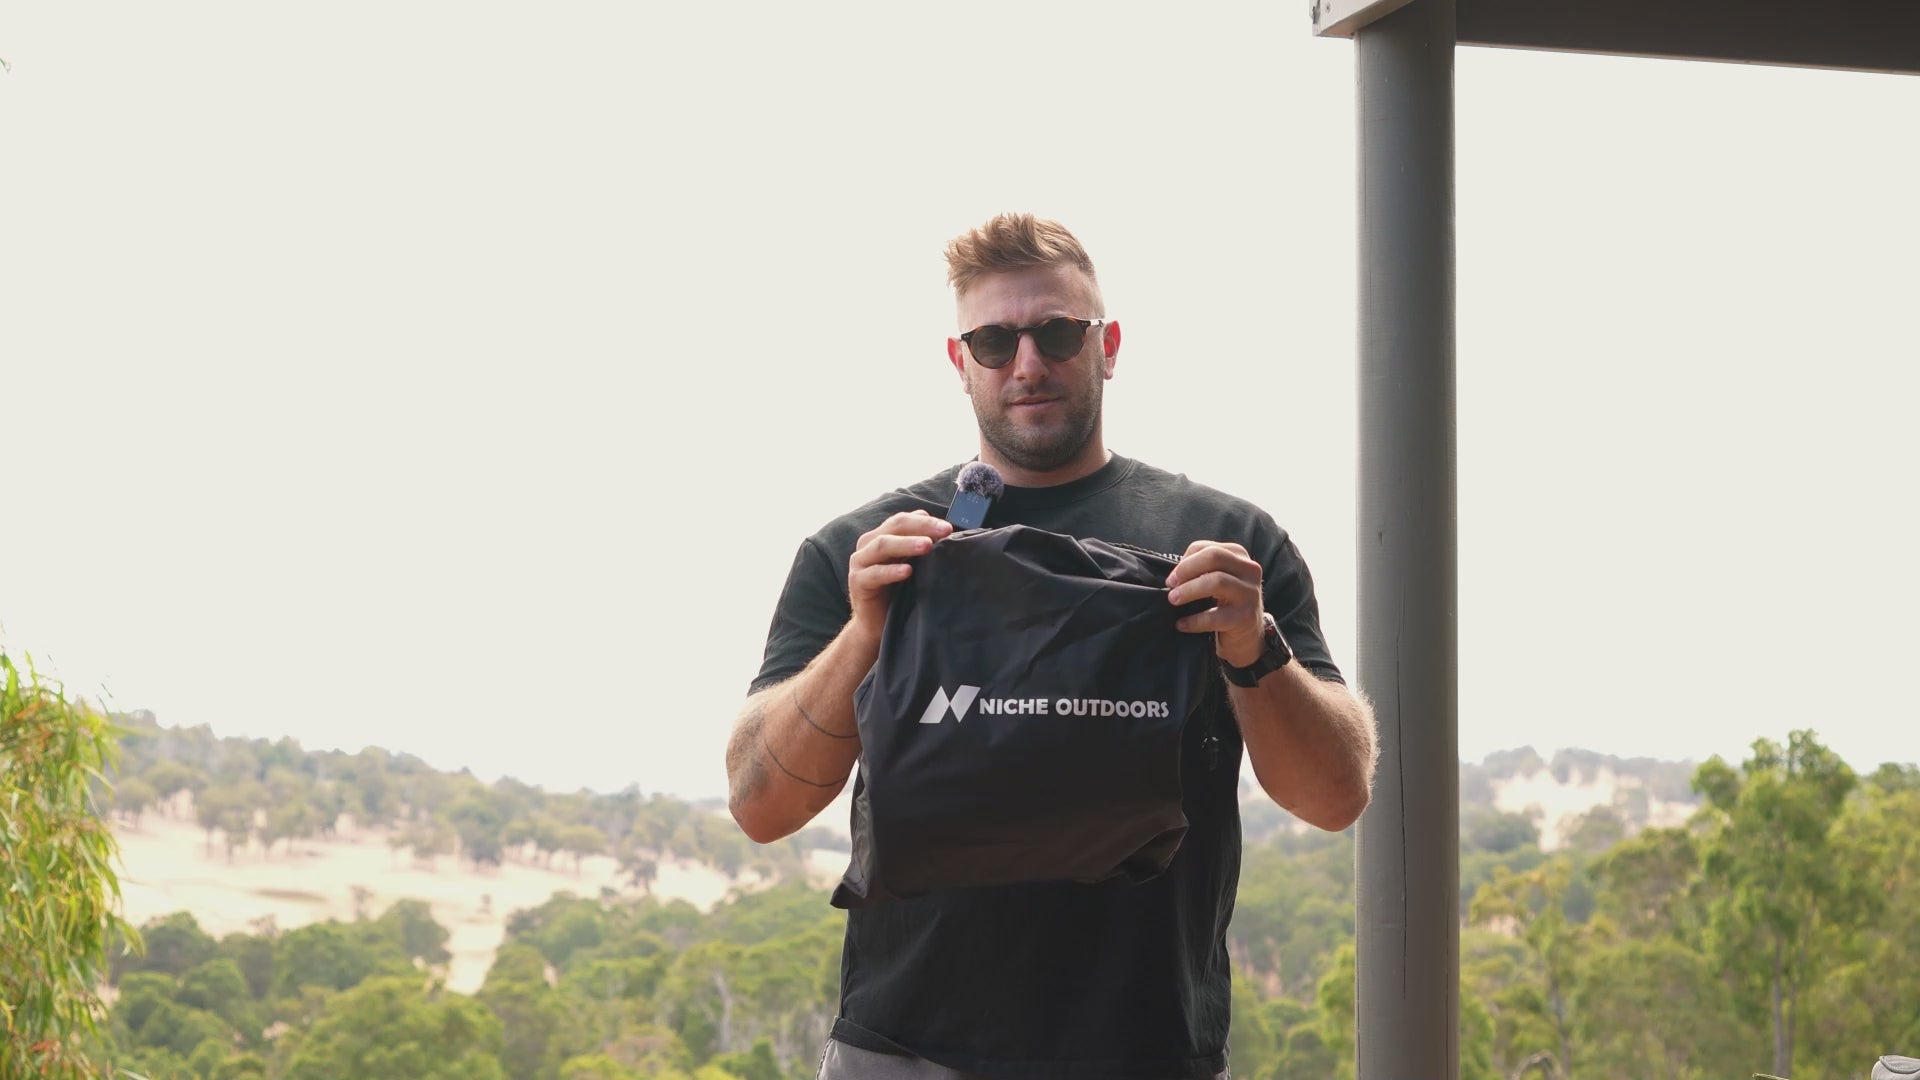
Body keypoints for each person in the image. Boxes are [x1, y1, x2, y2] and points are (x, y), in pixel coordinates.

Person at [725, 213, 1376, 1080]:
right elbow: (760, 806)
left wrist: (1256, 648)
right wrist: (865, 635)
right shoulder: (864, 552)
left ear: (1108, 346)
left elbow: (1336, 797)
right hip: (905, 1052)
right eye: (994, 341)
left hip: (1151, 1052)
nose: (1027, 363)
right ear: (960, 362)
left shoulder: (1229, 544)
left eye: (1058, 333)